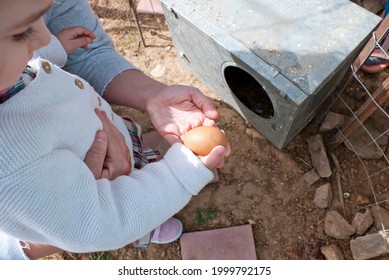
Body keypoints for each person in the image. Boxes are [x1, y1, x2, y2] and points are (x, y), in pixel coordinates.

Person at [0, 0, 230, 260]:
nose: (44, 34)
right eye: (21, 32)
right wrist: (179, 175)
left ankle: (151, 197)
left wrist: (54, 49)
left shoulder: (8, 69)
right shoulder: (10, 167)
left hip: (107, 135)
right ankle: (147, 228)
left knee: (140, 167)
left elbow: (27, 60)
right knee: (135, 213)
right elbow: (102, 221)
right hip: (101, 194)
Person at [361, 1, 389, 73]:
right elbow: (385, 13)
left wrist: (372, 52)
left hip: (387, 41)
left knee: (366, 61)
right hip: (385, 32)